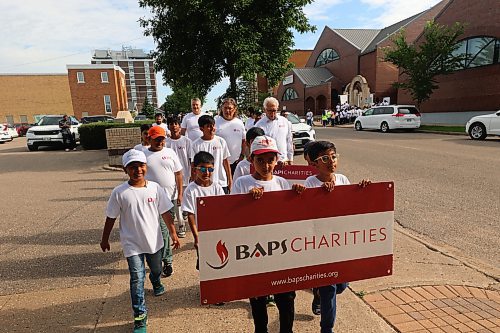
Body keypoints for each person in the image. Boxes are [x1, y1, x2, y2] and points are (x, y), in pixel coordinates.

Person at [100, 149, 180, 333]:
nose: (138, 170)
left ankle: (156, 279)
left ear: (146, 167)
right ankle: (140, 317)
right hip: (132, 244)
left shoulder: (155, 188)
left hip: (154, 241)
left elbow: (165, 213)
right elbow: (110, 217)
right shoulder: (119, 192)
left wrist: (173, 233)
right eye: (133, 167)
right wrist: (104, 239)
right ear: (125, 169)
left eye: (141, 166)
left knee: (156, 268)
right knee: (137, 278)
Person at [231, 135, 306, 333]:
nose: (266, 165)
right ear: (251, 160)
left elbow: (293, 215)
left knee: (286, 295)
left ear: (277, 161)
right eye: (260, 160)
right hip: (254, 250)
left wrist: (297, 193)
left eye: (270, 160)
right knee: (257, 296)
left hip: (280, 250)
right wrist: (247, 201)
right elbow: (231, 216)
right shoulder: (241, 183)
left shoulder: (283, 183)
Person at [304, 140, 370, 333]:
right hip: (322, 244)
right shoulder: (311, 183)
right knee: (330, 287)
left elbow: (351, 205)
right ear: (315, 164)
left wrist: (363, 189)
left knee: (341, 285)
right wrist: (321, 195)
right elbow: (307, 212)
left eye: (333, 157)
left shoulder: (342, 179)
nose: (331, 161)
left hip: (341, 242)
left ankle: (317, 292)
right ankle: (327, 328)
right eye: (325, 158)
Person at [143, 126, 183, 277]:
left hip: (170, 197)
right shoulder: (143, 155)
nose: (160, 142)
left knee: (165, 229)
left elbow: (178, 174)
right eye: (157, 139)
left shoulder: (170, 152)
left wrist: (180, 193)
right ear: (149, 139)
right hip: (151, 200)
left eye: (162, 139)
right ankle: (166, 260)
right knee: (162, 230)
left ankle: (165, 259)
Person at [181, 151, 225, 270]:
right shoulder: (191, 190)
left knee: (220, 260)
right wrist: (196, 237)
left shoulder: (217, 188)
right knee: (205, 265)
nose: (206, 173)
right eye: (203, 169)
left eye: (210, 169)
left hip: (217, 231)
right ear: (195, 169)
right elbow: (191, 215)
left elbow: (223, 210)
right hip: (202, 233)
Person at [191, 115, 232, 193]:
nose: (212, 128)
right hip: (204, 184)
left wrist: (230, 180)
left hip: (221, 183)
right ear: (201, 128)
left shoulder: (221, 141)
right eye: (209, 126)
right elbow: (193, 165)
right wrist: (194, 181)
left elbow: (226, 162)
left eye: (213, 125)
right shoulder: (195, 144)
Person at [165, 116, 192, 238]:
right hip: (171, 178)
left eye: (176, 123)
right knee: (177, 202)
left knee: (185, 200)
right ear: (169, 127)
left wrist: (192, 174)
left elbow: (191, 159)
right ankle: (181, 225)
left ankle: (186, 216)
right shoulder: (166, 143)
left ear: (179, 126)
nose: (174, 126)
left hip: (186, 176)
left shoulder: (187, 141)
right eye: (171, 124)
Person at [255, 97, 293, 165]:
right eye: (269, 110)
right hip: (267, 164)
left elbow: (289, 141)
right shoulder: (259, 125)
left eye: (274, 110)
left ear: (277, 108)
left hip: (284, 161)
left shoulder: (285, 121)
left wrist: (290, 159)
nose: (272, 113)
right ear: (265, 110)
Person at [215, 98, 246, 175]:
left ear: (235, 109)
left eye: (230, 108)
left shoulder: (239, 123)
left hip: (236, 162)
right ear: (222, 108)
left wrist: (242, 156)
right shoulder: (215, 121)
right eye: (225, 108)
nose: (227, 111)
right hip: (219, 163)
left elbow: (244, 141)